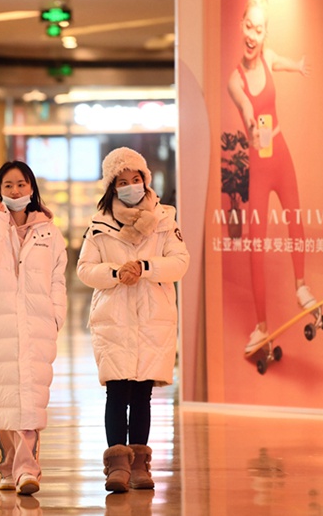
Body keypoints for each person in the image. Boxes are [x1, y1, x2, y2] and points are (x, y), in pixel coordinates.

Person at [76, 147, 189, 492]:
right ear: (112, 187)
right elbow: (84, 270)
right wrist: (114, 271)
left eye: (135, 179)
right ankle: (117, 467)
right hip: (113, 319)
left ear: (145, 180)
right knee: (117, 391)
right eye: (121, 182)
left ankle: (140, 465)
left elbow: (180, 262)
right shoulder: (99, 226)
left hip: (153, 318)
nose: (130, 186)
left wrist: (145, 267)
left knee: (142, 394)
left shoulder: (166, 220)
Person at [0, 161, 67, 496]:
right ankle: (8, 469)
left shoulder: (49, 231)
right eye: (8, 186)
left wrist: (56, 317)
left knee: (31, 401)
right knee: (1, 400)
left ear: (32, 188)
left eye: (21, 184)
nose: (16, 191)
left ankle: (27, 471)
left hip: (37, 326)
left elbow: (57, 279)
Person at [226, 0, 317, 354]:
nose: (252, 34)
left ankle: (300, 287)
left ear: (265, 34)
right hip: (260, 164)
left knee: (296, 219)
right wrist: (249, 121)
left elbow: (280, 62)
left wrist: (298, 65)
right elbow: (247, 105)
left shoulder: (267, 55)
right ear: (241, 26)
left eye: (259, 29)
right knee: (256, 245)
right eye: (248, 26)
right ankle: (261, 326)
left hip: (282, 154)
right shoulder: (235, 80)